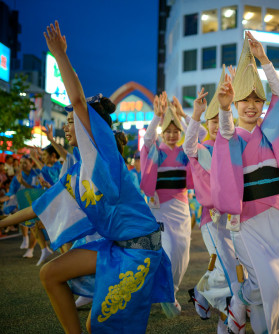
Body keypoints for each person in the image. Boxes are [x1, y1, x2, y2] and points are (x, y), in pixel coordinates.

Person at [0, 21, 174, 333]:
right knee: (50, 274)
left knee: (102, 326)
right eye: (67, 122)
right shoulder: (80, 173)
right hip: (117, 247)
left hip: (140, 251)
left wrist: (60, 56)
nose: (68, 126)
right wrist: (3, 222)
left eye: (72, 122)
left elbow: (79, 101)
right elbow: (42, 204)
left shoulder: (105, 155)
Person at [212, 31, 279, 334]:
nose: (251, 105)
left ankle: (240, 306)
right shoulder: (231, 136)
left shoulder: (271, 132)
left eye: (257, 99)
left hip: (277, 220)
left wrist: (265, 61)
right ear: (236, 103)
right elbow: (226, 133)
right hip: (247, 223)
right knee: (264, 283)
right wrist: (225, 109)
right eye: (245, 100)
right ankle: (245, 310)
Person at [183, 73, 238, 333]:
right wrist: (196, 115)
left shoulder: (234, 145)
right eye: (211, 120)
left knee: (235, 270)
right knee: (228, 270)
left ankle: (204, 295)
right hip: (212, 219)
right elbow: (188, 146)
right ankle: (222, 312)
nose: (216, 124)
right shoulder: (202, 147)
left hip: (238, 219)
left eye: (220, 119)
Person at [140, 91, 198, 317]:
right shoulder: (156, 151)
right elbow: (146, 140)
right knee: (168, 251)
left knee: (182, 255)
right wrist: (157, 117)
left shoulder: (185, 153)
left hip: (182, 209)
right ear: (163, 132)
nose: (173, 134)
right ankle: (167, 295)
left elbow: (196, 136)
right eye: (168, 130)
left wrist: (183, 117)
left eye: (176, 131)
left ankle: (169, 291)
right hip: (160, 210)